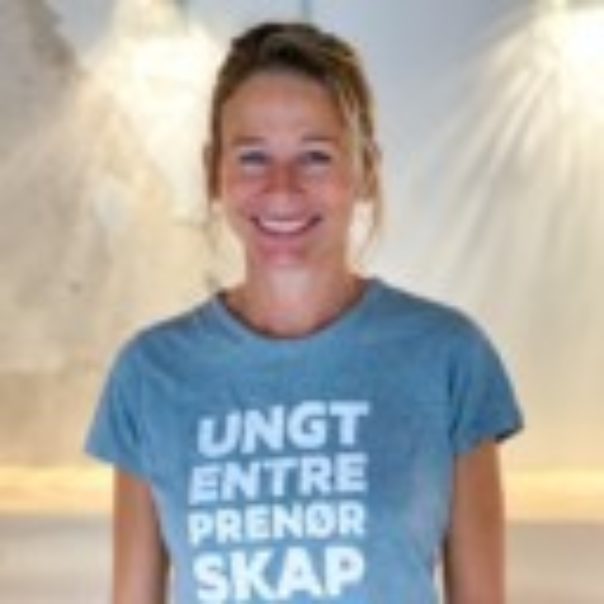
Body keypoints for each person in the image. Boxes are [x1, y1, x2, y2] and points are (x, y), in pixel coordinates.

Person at [85, 21, 523, 604]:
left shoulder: (449, 356)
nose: (282, 188)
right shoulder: (150, 373)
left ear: (365, 170)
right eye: (253, 157)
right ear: (214, 171)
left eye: (316, 156)